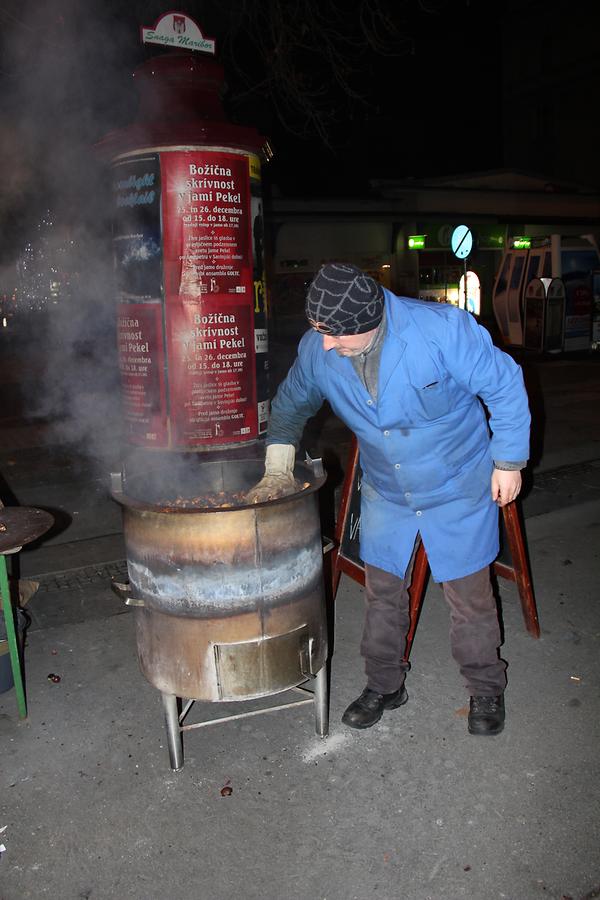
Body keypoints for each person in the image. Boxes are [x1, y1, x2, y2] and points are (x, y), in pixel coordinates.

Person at [249, 262, 530, 736]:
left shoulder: (442, 330)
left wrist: (508, 461)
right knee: (381, 592)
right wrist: (276, 466)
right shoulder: (321, 349)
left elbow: (503, 385)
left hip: (456, 485)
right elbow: (292, 403)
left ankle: (485, 687)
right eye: (319, 330)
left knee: (469, 597)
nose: (325, 344)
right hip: (386, 488)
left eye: (334, 333)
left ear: (369, 321)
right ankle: (384, 684)